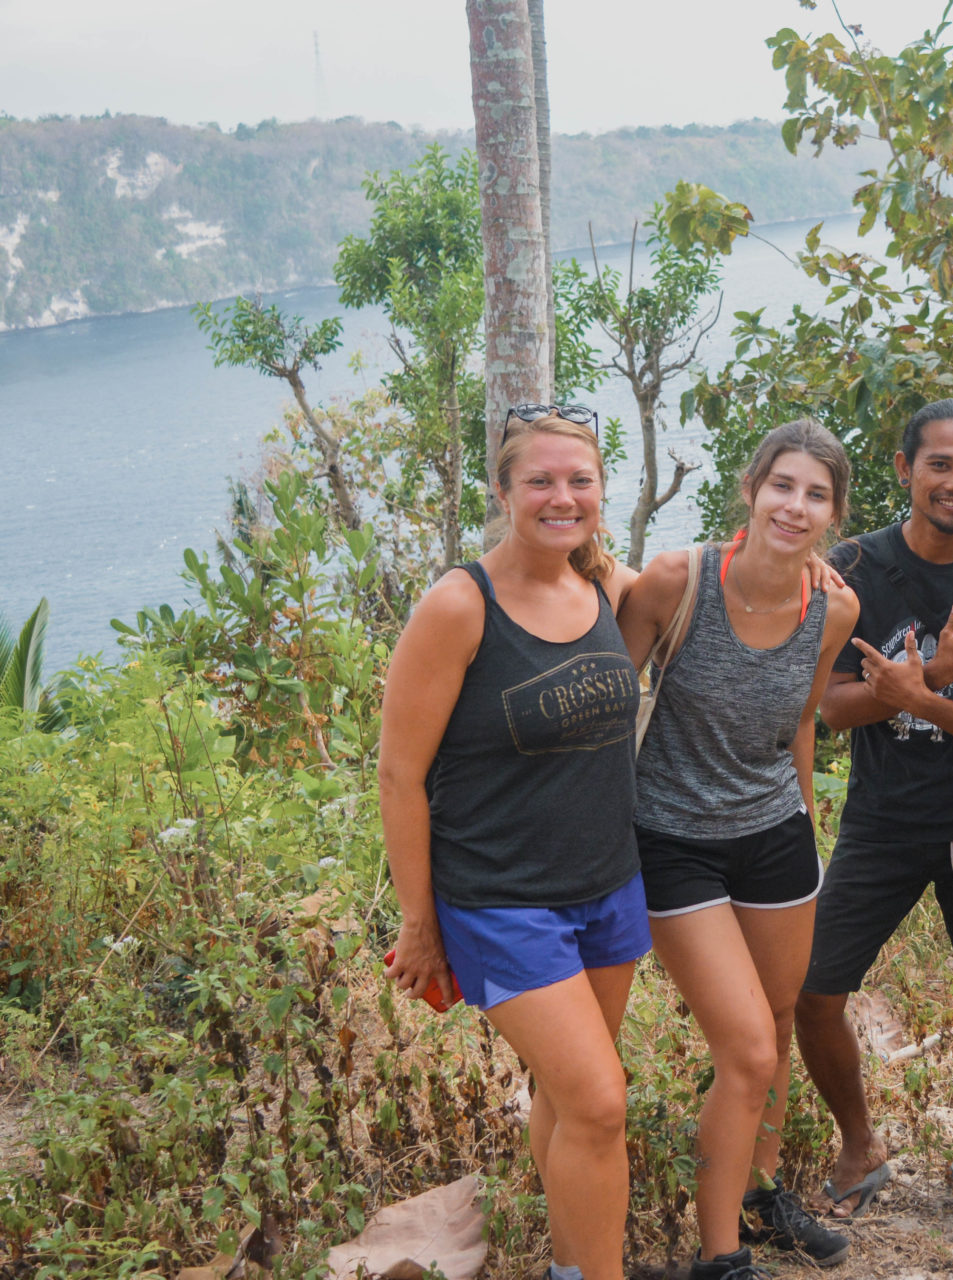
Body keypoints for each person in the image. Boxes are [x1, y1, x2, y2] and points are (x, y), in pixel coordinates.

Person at [379, 407, 649, 1280]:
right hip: (499, 899)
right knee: (601, 1104)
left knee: (572, 1100)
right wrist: (421, 922)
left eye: (580, 481)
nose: (561, 497)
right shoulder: (461, 605)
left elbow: (713, 587)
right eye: (540, 480)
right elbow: (399, 776)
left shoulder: (605, 585)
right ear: (501, 492)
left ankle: (570, 1269)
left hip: (607, 883)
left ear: (603, 493)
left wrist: (816, 584)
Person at [794, 399, 953, 1233]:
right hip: (884, 817)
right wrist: (934, 671)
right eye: (940, 463)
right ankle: (859, 1144)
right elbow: (829, 709)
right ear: (904, 469)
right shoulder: (853, 569)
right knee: (814, 988)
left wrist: (922, 693)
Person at [619, 420, 860, 1280]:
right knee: (749, 1048)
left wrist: (802, 822)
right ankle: (718, 1257)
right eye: (783, 486)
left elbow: (801, 721)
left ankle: (761, 1196)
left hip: (774, 836)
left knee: (782, 1023)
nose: (796, 507)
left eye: (816, 494)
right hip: (674, 839)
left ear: (833, 513)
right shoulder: (679, 582)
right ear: (752, 489)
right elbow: (610, 704)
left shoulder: (834, 605)